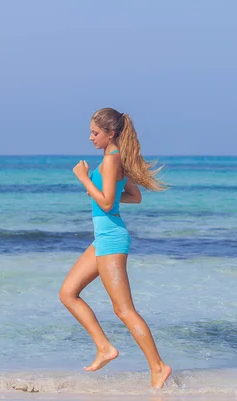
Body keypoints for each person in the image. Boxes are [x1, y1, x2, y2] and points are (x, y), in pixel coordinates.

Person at [59, 107, 172, 389]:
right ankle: (104, 347)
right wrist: (98, 191)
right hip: (104, 238)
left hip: (111, 240)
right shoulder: (113, 159)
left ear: (110, 133)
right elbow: (134, 197)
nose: (90, 137)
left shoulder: (111, 161)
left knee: (124, 310)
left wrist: (85, 179)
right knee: (68, 293)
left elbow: (108, 204)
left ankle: (158, 366)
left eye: (95, 133)